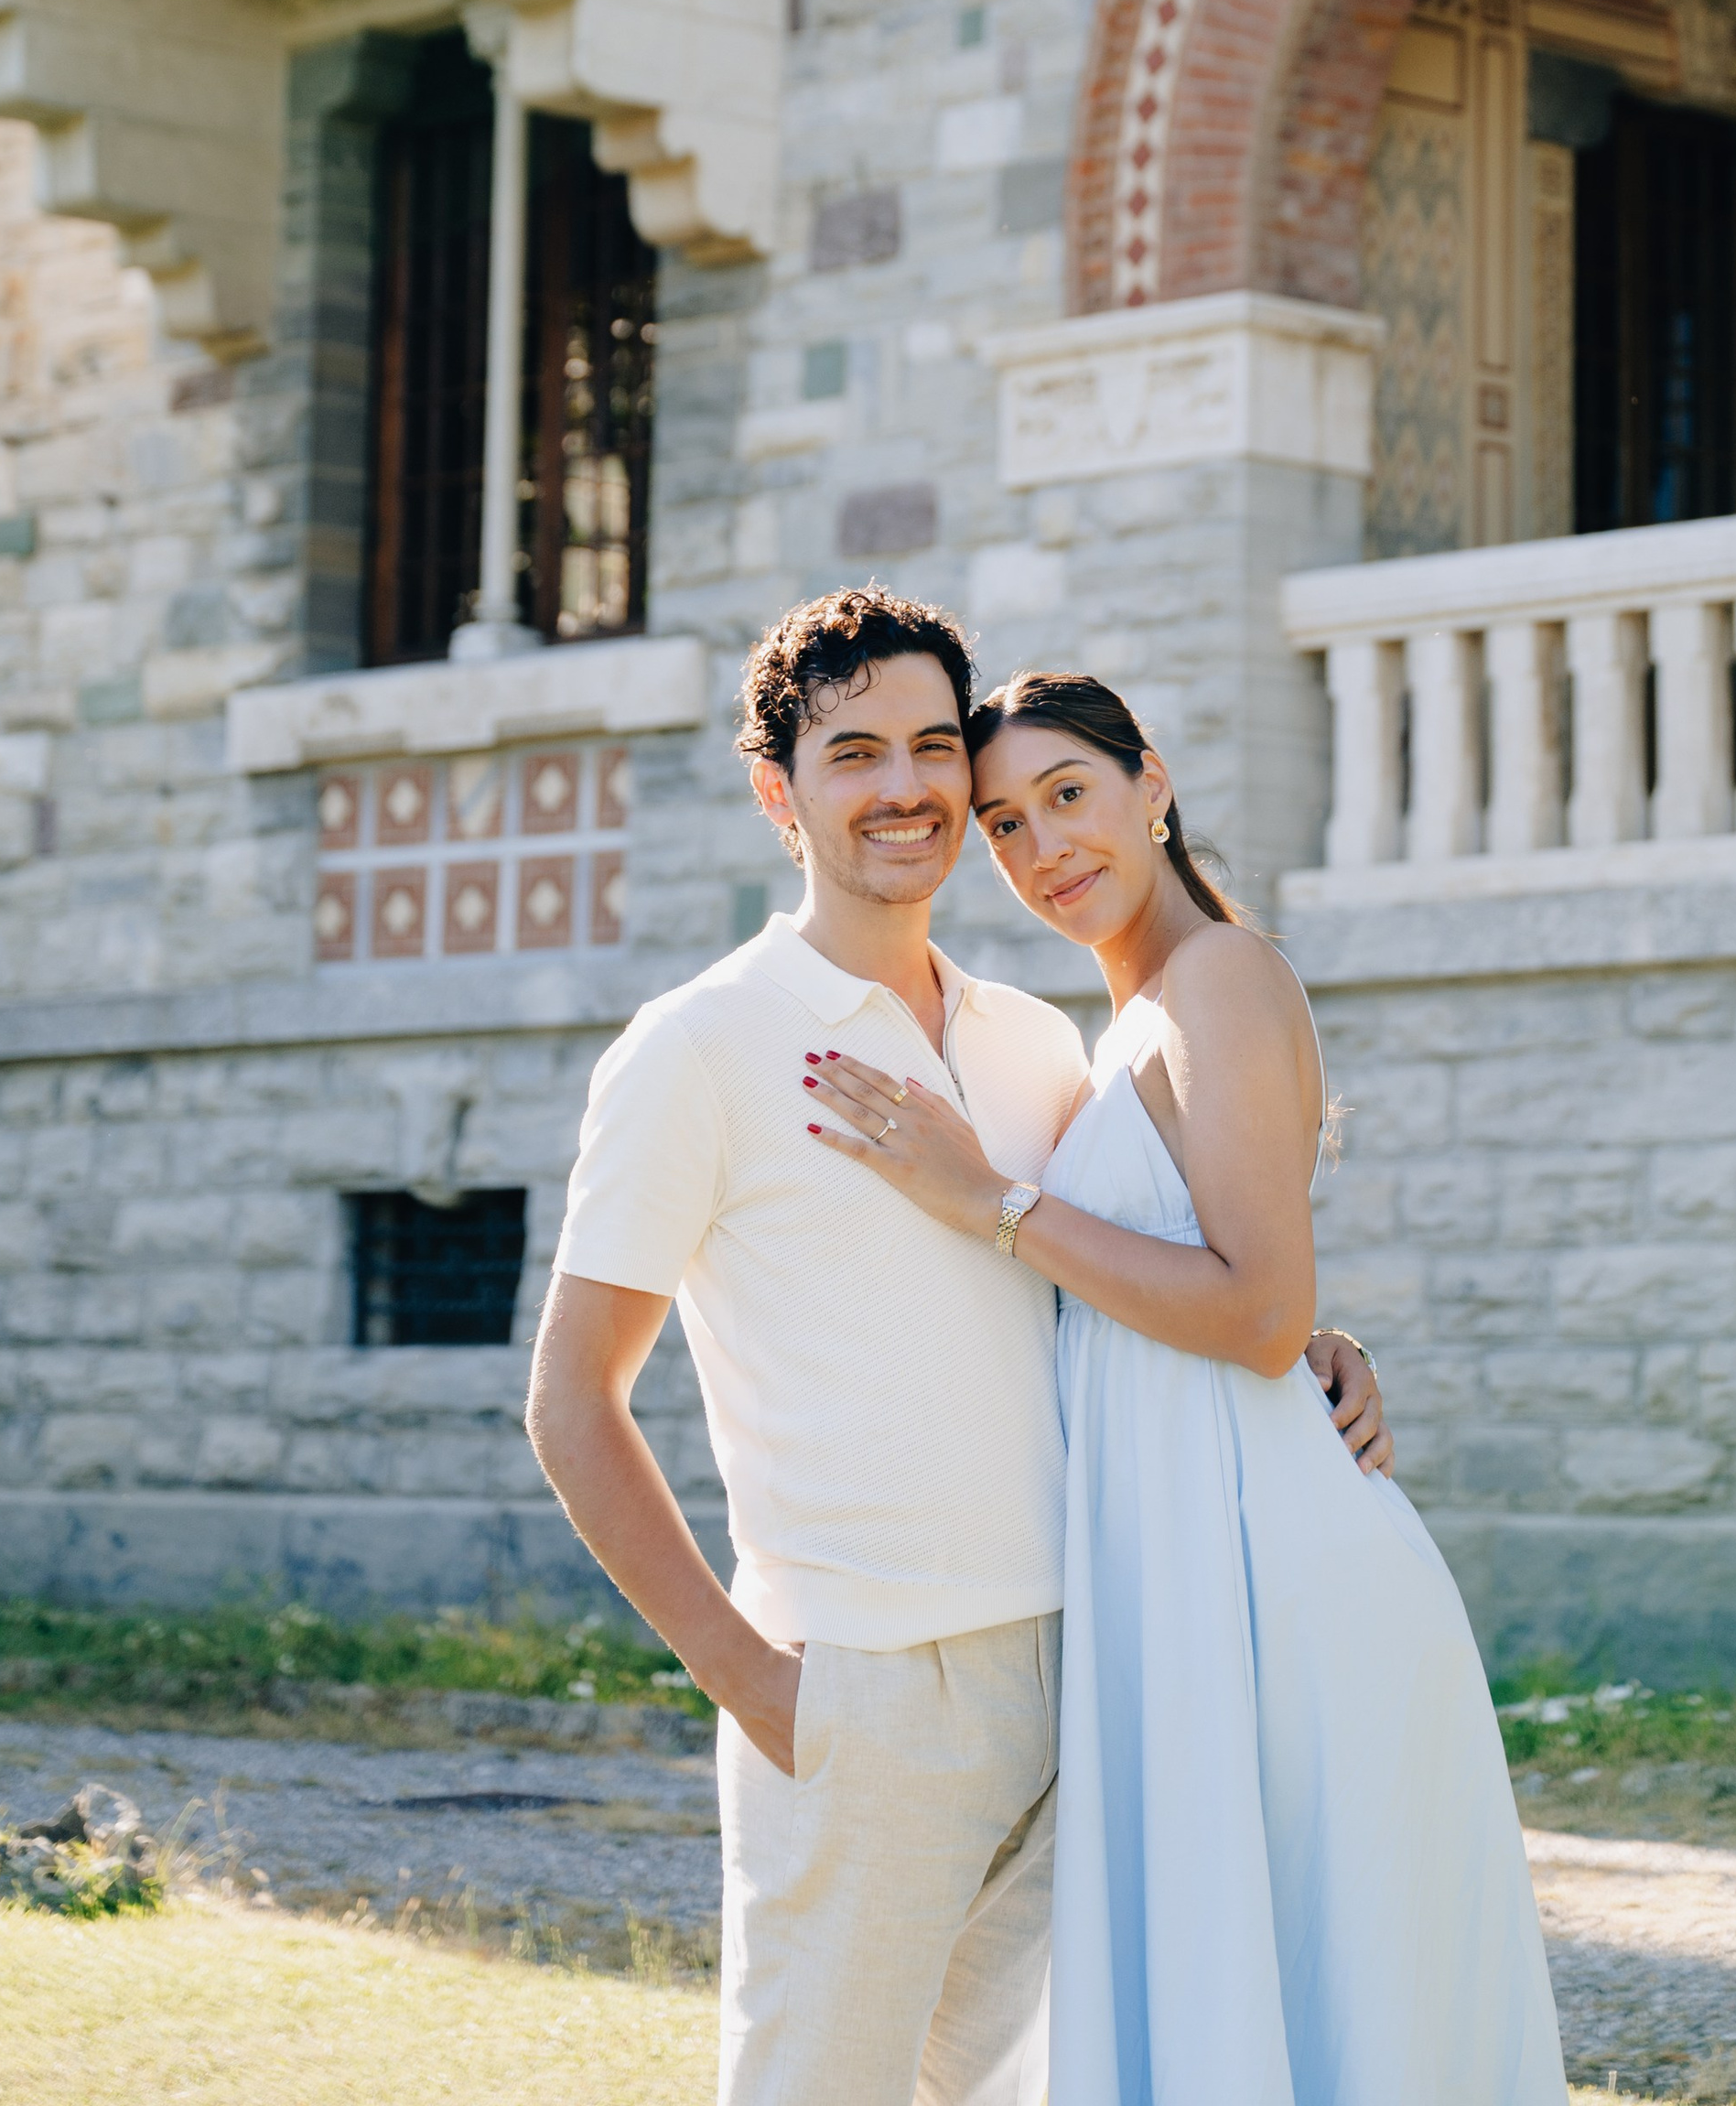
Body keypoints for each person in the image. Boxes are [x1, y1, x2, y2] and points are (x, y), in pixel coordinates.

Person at [524, 586, 1389, 2106]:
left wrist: (1306, 1337)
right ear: (777, 790)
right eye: (854, 753)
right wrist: (754, 1681)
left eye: (934, 748)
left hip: (1091, 1666)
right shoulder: (697, 1045)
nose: (909, 788)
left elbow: (1103, 1285)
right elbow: (572, 1404)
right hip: (860, 1690)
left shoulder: (1031, 1042)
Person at [806, 663, 1569, 2106]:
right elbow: (1246, 1290)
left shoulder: (1221, 975)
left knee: (1331, 1994)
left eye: (1070, 795)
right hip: (1190, 1566)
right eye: (1006, 825)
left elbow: (1263, 1312)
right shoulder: (1136, 1013)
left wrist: (990, 1201)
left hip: (1272, 1581)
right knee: (1243, 1987)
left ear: (1151, 781)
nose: (1045, 849)